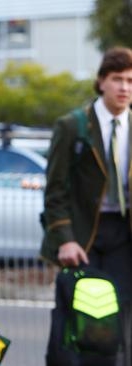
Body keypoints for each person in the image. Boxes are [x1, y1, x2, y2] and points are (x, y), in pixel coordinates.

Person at [41, 46, 132, 366]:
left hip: (124, 234)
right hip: (82, 235)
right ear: (101, 82)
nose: (125, 87)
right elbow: (54, 190)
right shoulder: (73, 126)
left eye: (131, 81)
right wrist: (64, 237)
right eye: (118, 79)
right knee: (77, 312)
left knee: (119, 317)